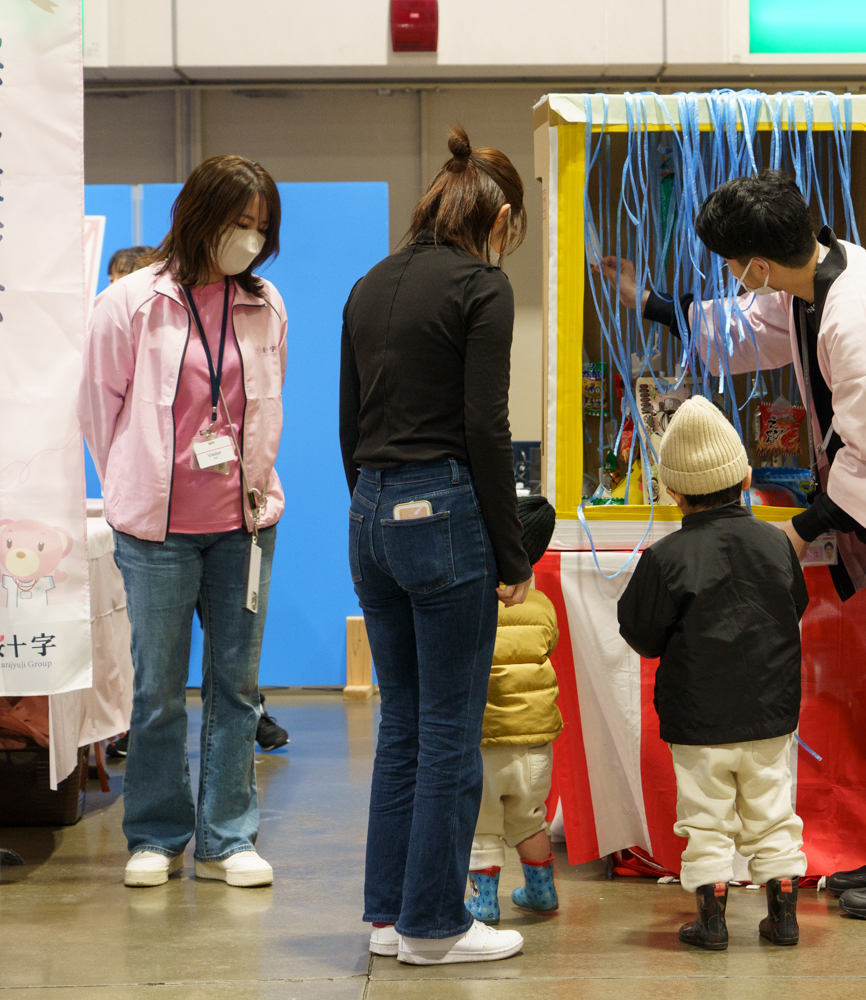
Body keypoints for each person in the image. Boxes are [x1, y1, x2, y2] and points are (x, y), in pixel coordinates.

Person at [600, 169, 866, 920]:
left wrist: (798, 533)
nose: (733, 278)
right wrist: (649, 302)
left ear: (757, 263)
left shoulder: (858, 315)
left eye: (731, 265)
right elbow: (745, 332)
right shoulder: (815, 276)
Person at [342, 127, 531, 967]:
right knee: (451, 727)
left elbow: (349, 423)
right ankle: (434, 925)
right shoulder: (483, 287)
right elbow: (486, 428)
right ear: (501, 219)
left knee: (404, 725)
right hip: (444, 512)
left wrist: (375, 508)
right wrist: (513, 555)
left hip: (370, 512)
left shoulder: (369, 283)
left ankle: (389, 917)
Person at [79, 154, 286, 890]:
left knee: (237, 688)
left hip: (244, 525)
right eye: (239, 222)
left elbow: (266, 405)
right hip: (156, 533)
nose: (250, 239)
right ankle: (156, 835)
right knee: (157, 690)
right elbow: (98, 408)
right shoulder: (131, 302)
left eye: (261, 227)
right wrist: (133, 483)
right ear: (200, 216)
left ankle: (228, 838)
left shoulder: (265, 304)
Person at [617, 395, 810, 951]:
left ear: (672, 491)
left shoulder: (665, 558)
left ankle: (712, 922)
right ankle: (783, 918)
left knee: (704, 820)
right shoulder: (777, 544)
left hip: (698, 721)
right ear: (746, 477)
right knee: (774, 813)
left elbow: (640, 634)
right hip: (770, 715)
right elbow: (794, 606)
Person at [465, 495, 562, 925]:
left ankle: (484, 903)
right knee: (529, 820)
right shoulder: (542, 606)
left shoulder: (474, 602)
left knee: (483, 825)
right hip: (536, 743)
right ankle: (542, 892)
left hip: (487, 740)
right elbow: (549, 645)